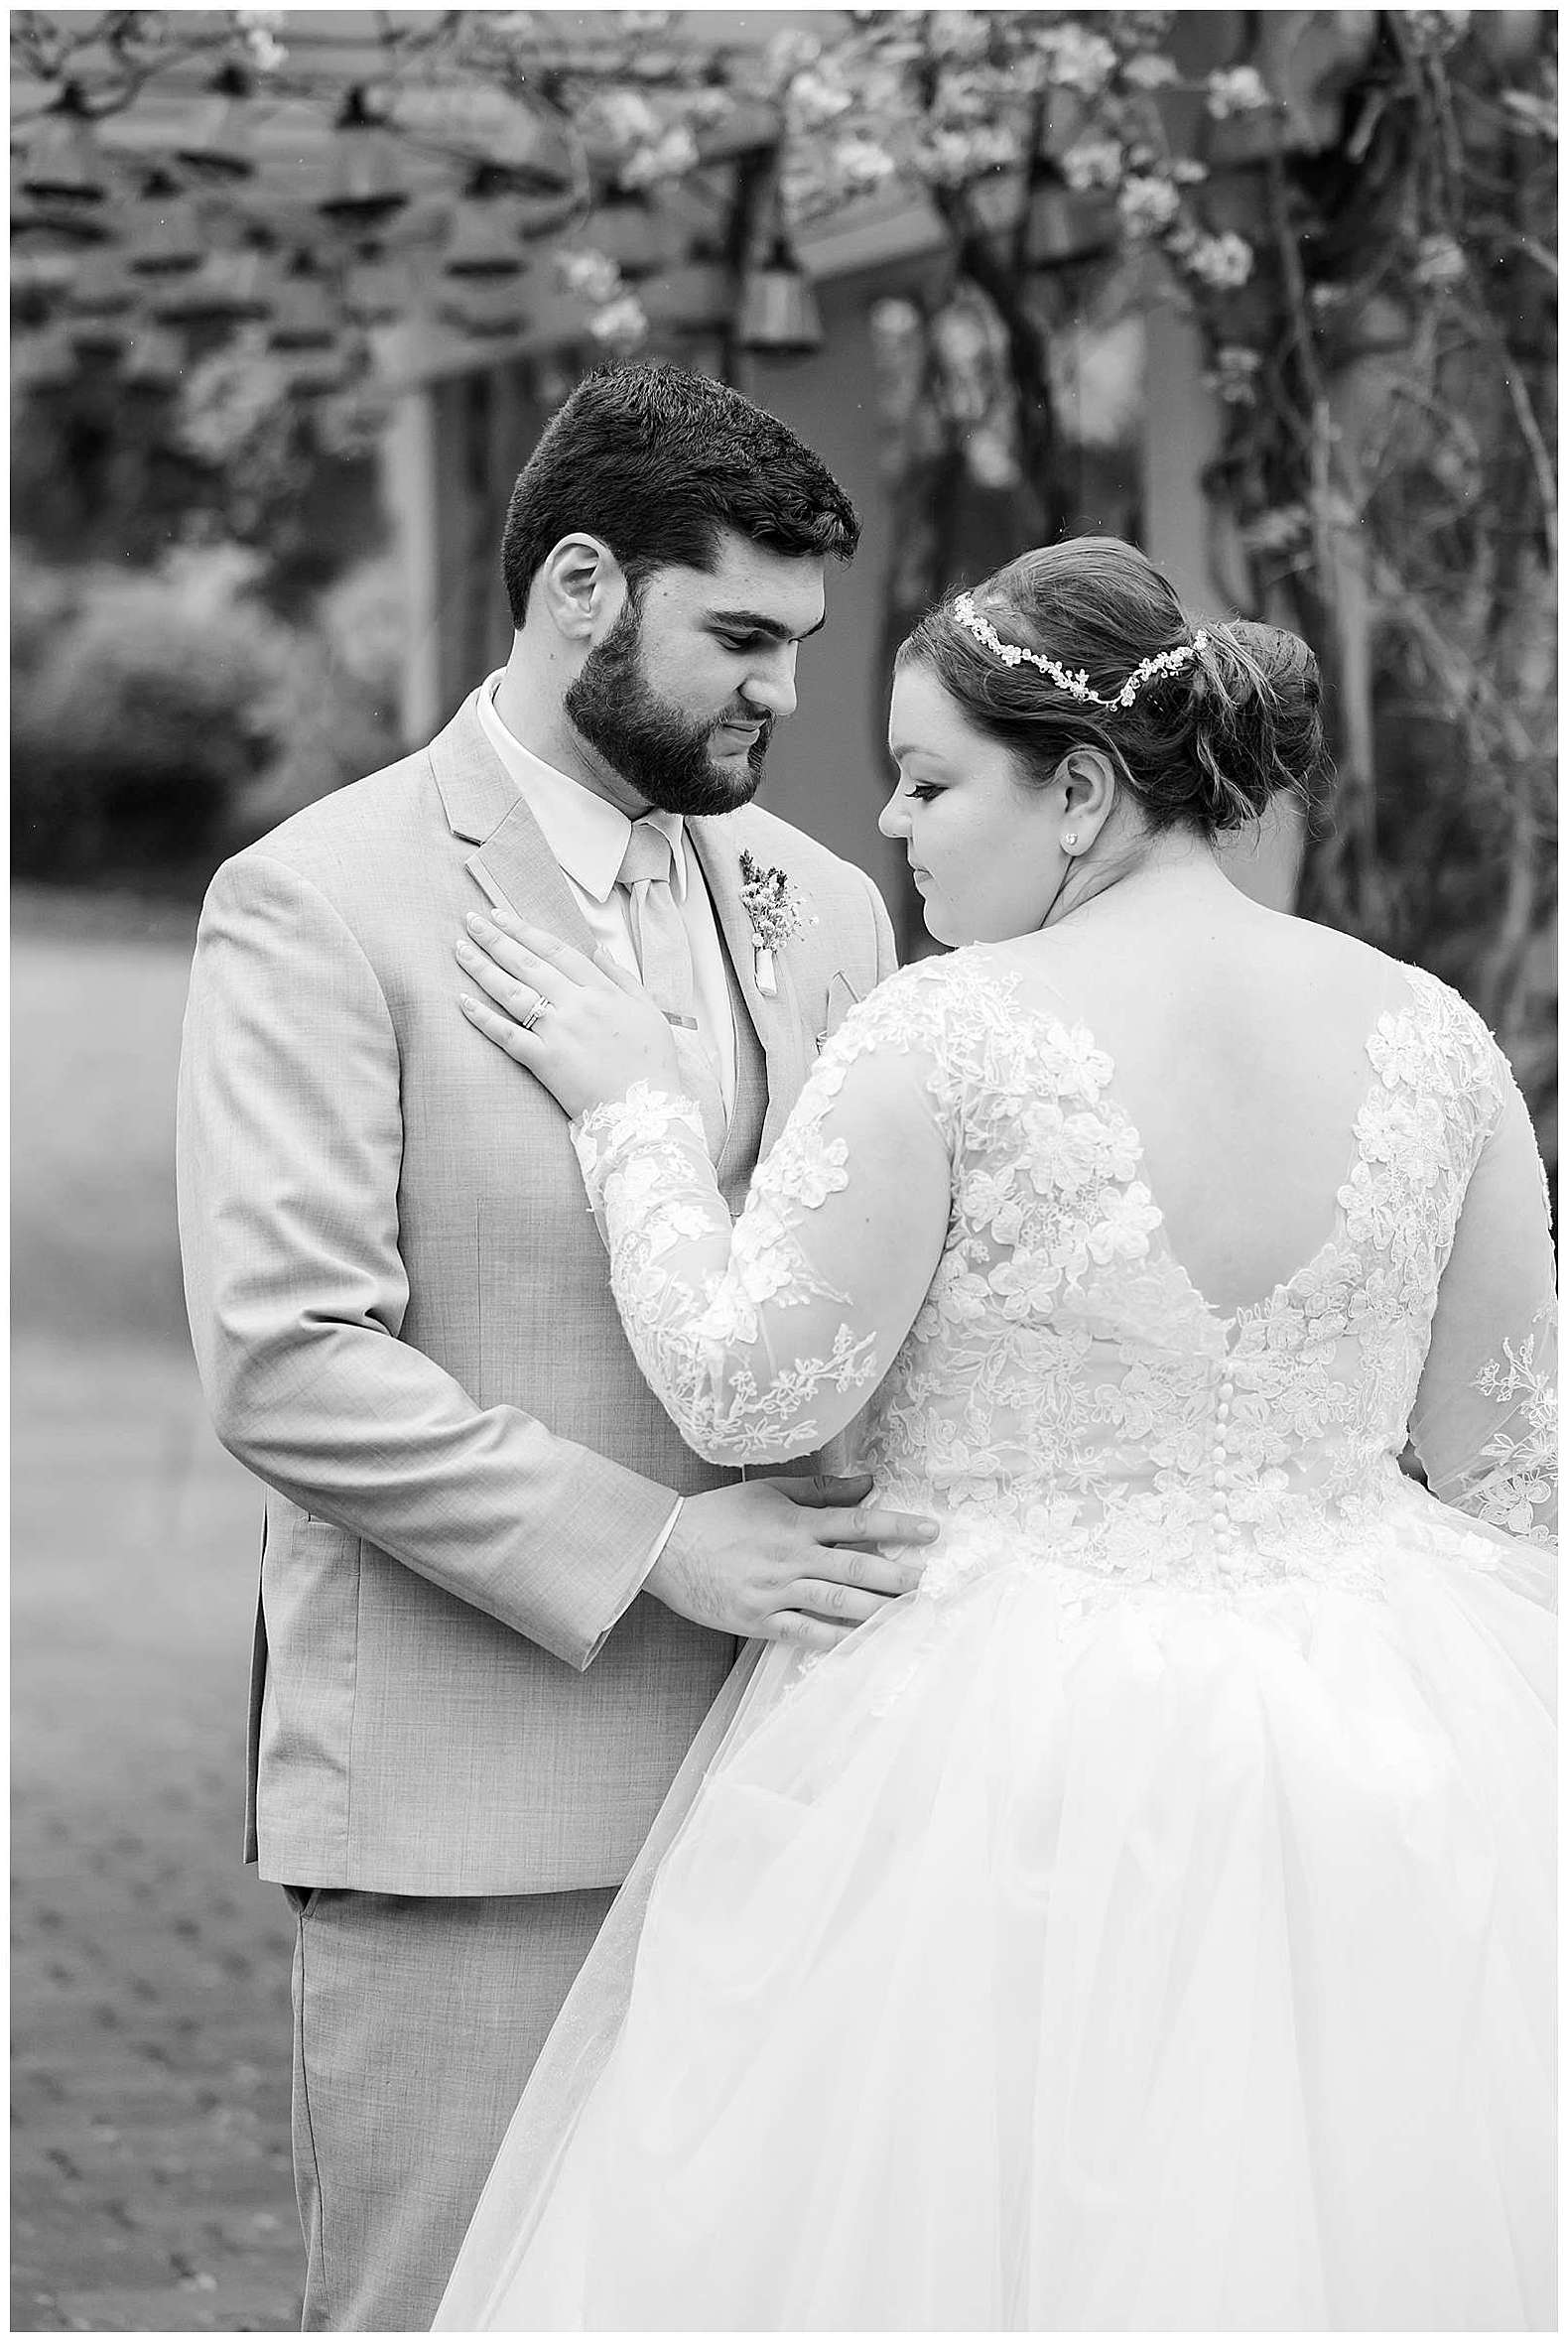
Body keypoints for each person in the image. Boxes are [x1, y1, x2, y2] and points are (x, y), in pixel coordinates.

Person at [438, 540, 1557, 2332]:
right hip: (1381, 1752)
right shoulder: (1433, 1042)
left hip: (989, 1763)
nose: (889, 823)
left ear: (1089, 790)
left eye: (932, 779)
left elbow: (747, 1392)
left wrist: (634, 1111)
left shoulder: (945, 1036)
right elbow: (1511, 1472)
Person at [175, 361, 938, 2333]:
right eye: (742, 639)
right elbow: (290, 1358)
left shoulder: (825, 906)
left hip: (785, 1789)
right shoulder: (321, 901)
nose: (784, 697)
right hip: (473, 1801)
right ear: (581, 583)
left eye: (801, 646)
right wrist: (662, 1544)